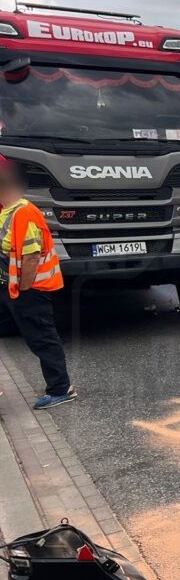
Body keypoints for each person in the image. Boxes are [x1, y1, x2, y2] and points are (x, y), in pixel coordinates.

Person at [0, 155, 76, 409]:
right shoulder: (7, 211)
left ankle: (61, 388)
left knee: (42, 338)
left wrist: (21, 291)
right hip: (13, 288)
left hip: (31, 290)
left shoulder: (24, 213)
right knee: (37, 338)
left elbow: (31, 257)